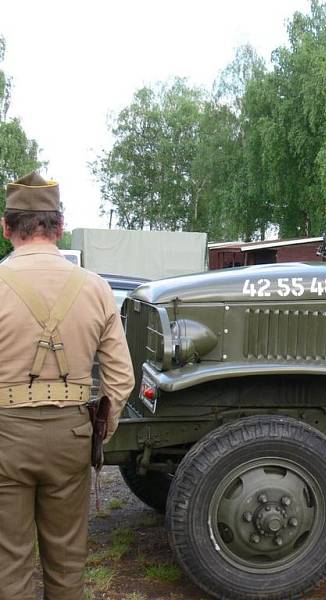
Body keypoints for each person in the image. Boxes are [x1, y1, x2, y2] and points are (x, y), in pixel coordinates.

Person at [0, 172, 134, 599]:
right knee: (67, 562)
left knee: (10, 561)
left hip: (4, 437)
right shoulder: (95, 288)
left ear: (6, 228)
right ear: (59, 227)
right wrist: (97, 433)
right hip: (72, 435)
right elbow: (121, 378)